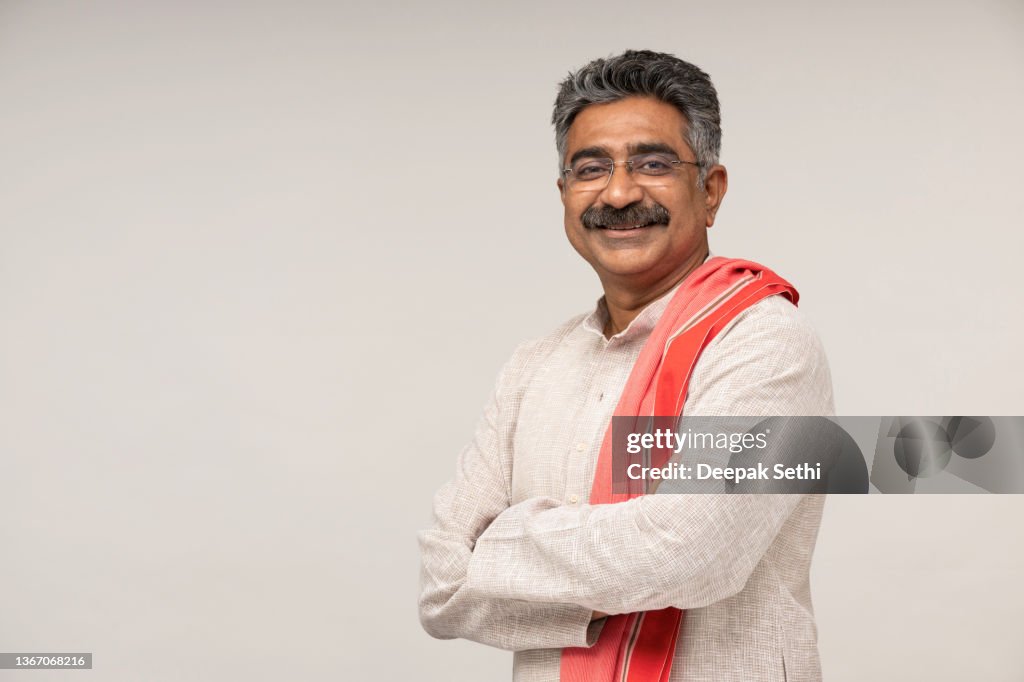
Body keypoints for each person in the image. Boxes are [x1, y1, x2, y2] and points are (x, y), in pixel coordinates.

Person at [418, 49, 834, 682]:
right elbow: (442, 586)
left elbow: (690, 555)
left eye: (654, 163)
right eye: (591, 168)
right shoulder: (534, 366)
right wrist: (621, 561)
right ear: (564, 194)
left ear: (711, 190)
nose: (618, 192)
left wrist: (502, 541)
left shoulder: (765, 344)